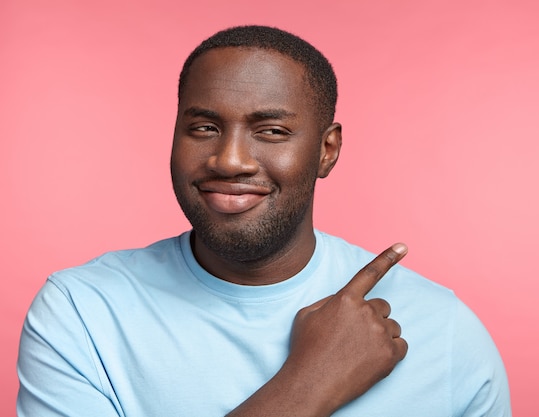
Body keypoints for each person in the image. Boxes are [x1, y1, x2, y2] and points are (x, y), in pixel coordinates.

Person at [17, 25, 511, 416]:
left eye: (271, 131)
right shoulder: (82, 313)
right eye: (204, 127)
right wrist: (309, 384)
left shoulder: (440, 329)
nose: (229, 160)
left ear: (327, 150)